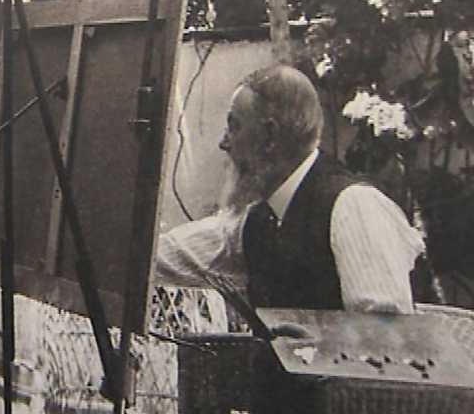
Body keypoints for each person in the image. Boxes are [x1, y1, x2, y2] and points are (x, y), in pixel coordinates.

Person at [154, 64, 425, 314]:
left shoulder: (354, 206)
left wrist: (313, 340)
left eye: (234, 127)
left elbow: (386, 336)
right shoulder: (259, 220)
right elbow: (173, 255)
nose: (224, 143)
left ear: (270, 137)